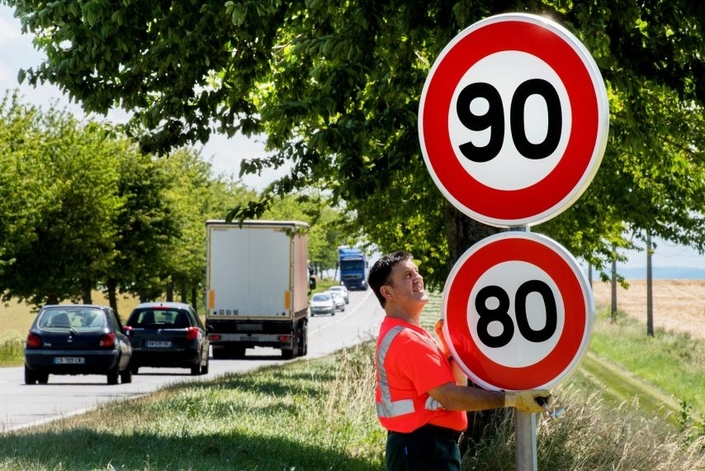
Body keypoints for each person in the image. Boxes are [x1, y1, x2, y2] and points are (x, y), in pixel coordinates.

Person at [369, 250, 549, 471]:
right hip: (421, 449)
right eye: (407, 275)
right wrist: (513, 399)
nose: (418, 278)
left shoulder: (412, 334)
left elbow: (454, 388)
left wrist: (453, 351)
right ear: (387, 292)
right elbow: (451, 397)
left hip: (426, 446)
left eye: (416, 271)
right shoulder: (407, 339)